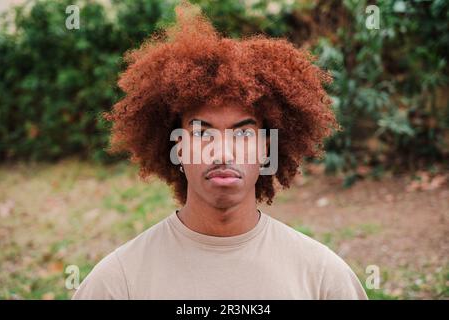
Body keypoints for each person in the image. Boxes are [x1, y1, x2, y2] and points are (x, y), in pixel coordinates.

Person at [72, 1, 368, 300]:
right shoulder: (117, 283)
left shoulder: (323, 279)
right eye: (202, 132)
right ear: (178, 147)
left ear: (266, 148)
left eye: (242, 133)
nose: (223, 152)